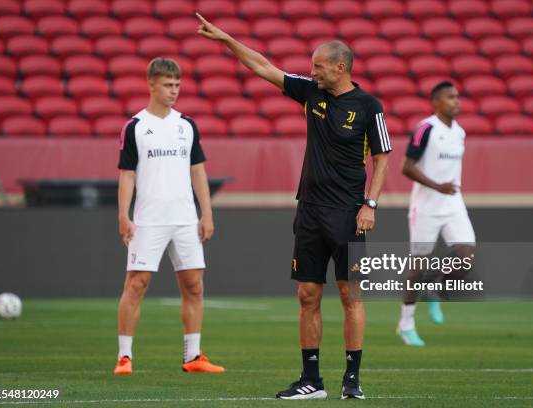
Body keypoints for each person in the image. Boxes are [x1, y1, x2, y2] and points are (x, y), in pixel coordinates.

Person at [196, 14, 392, 400]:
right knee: (307, 294)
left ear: (341, 67)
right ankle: (311, 380)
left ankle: (352, 379)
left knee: (351, 294)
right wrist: (226, 39)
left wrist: (370, 204)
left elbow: (382, 158)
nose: (312, 71)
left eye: (318, 66)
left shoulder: (369, 106)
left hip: (349, 214)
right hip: (310, 211)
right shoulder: (311, 93)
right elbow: (263, 66)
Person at [113, 57, 225, 375]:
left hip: (185, 218)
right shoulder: (135, 127)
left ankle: (193, 356)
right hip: (148, 219)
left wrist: (207, 213)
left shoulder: (186, 125)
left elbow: (198, 171)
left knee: (194, 286)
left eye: (177, 85)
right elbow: (126, 175)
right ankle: (124, 357)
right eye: (167, 84)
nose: (174, 90)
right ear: (151, 84)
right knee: (137, 284)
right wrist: (124, 215)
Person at [397, 81, 476, 347]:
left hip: (454, 204)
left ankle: (435, 289)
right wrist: (436, 186)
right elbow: (406, 167)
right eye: (450, 97)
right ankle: (406, 323)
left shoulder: (460, 132)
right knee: (417, 266)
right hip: (426, 207)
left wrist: (447, 189)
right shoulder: (425, 129)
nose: (457, 101)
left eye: (457, 97)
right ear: (436, 102)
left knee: (465, 257)